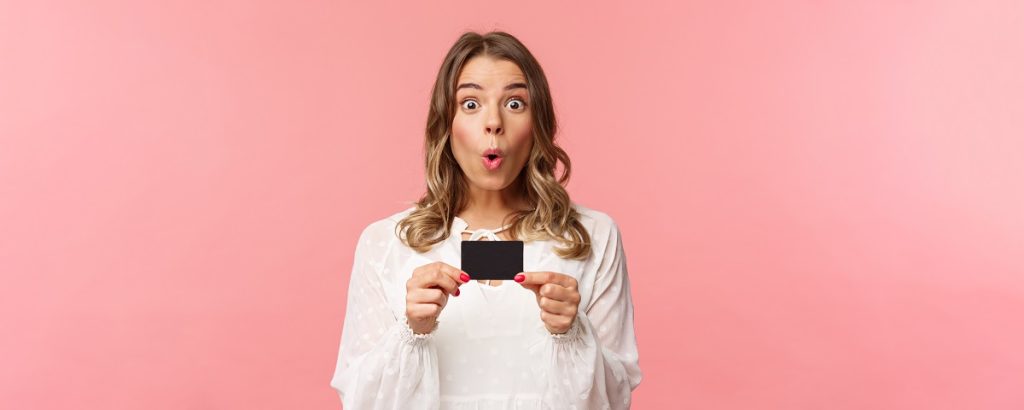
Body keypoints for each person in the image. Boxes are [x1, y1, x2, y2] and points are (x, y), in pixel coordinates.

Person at [330, 30, 642, 409]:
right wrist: (412, 332)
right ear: (446, 123)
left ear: (537, 122)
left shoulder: (592, 237)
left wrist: (572, 333)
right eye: (471, 104)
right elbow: (360, 402)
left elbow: (615, 400)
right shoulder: (385, 244)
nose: (493, 122)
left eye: (514, 103)